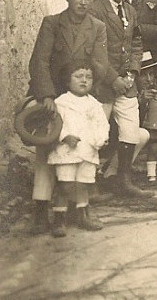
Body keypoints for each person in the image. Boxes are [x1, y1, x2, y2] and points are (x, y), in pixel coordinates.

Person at [27, 0, 113, 233]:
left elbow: (100, 65)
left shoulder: (97, 27)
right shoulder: (52, 23)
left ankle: (81, 209)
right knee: (47, 149)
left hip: (81, 93)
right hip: (52, 94)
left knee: (84, 150)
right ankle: (41, 210)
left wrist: (83, 88)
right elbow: (39, 61)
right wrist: (47, 96)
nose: (83, 2)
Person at [87, 0, 152, 197]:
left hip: (127, 84)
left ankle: (120, 178)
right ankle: (89, 182)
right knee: (96, 134)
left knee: (131, 131)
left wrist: (134, 72)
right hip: (102, 85)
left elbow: (136, 43)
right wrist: (114, 79)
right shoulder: (95, 10)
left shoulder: (130, 11)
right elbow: (95, 51)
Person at [46, 61, 111, 236]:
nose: (84, 80)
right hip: (66, 151)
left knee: (84, 184)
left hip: (88, 150)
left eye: (88, 77)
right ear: (67, 81)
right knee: (65, 184)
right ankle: (59, 218)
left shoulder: (95, 104)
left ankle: (83, 215)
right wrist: (65, 136)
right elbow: (54, 124)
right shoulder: (61, 103)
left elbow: (102, 125)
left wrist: (100, 139)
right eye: (78, 76)